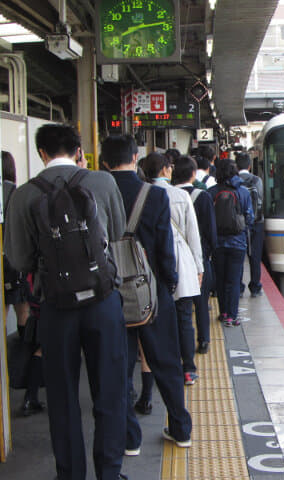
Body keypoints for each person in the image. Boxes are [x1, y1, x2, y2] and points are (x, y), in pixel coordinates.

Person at [4, 124, 128, 480]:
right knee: (109, 391)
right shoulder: (103, 183)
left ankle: (70, 474)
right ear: (78, 151)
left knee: (62, 397)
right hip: (103, 302)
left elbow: (19, 258)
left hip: (56, 309)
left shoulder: (25, 195)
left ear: (41, 153)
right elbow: (118, 235)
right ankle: (109, 472)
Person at [102, 135, 192, 453]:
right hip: (152, 292)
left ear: (103, 161)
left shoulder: (96, 192)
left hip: (110, 296)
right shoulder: (154, 195)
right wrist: (168, 284)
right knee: (166, 362)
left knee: (119, 369)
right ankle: (180, 429)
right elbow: (166, 249)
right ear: (136, 157)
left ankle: (130, 439)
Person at [141, 152, 203, 385]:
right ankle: (188, 368)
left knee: (156, 320)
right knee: (184, 318)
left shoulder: (141, 195)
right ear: (167, 170)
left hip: (150, 264)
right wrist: (199, 267)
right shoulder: (179, 195)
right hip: (181, 261)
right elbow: (192, 233)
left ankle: (163, 368)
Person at [2, 150, 43, 416]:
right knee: (25, 317)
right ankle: (26, 385)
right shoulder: (17, 193)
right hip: (15, 265)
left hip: (7, 263)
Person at [172, 156, 217, 353]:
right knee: (201, 302)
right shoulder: (203, 196)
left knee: (180, 304)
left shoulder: (167, 195)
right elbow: (211, 232)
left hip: (176, 258)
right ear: (193, 174)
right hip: (200, 257)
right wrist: (208, 254)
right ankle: (204, 340)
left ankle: (179, 344)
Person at [210, 157, 253, 327]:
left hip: (218, 244)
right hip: (238, 243)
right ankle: (233, 316)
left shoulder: (211, 192)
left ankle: (223, 313)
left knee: (220, 279)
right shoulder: (243, 192)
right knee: (234, 280)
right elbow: (249, 218)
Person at [237, 152, 265, 297]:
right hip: (256, 223)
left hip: (239, 224)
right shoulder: (257, 180)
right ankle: (255, 287)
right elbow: (261, 199)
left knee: (240, 256)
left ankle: (240, 287)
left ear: (236, 166)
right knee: (255, 256)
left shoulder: (234, 181)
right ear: (249, 165)